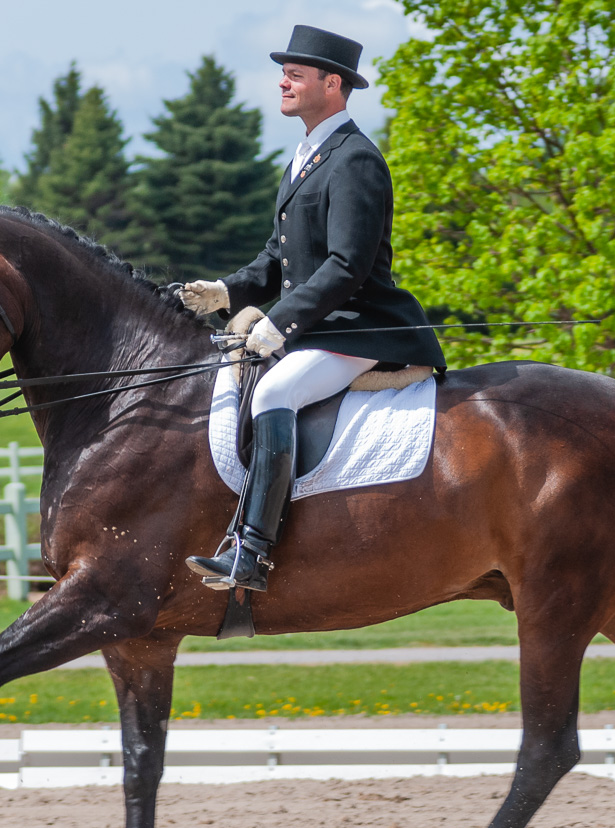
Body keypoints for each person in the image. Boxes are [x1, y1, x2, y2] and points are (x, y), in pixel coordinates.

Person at [180, 24, 446, 592]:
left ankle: (251, 551)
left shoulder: (355, 161)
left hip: (361, 330)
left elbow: (347, 266)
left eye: (296, 75)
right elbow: (278, 260)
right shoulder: (307, 157)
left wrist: (279, 321)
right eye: (284, 73)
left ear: (333, 83)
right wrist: (226, 292)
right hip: (319, 328)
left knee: (276, 392)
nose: (284, 82)